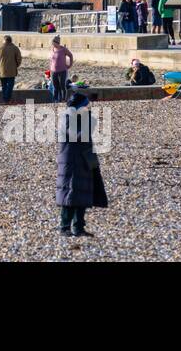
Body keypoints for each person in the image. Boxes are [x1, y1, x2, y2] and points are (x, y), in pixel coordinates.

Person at [56, 90, 108, 237]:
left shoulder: (82, 117)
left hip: (85, 159)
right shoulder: (66, 118)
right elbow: (77, 135)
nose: (88, 108)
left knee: (83, 194)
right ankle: (64, 227)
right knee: (70, 194)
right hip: (71, 161)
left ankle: (79, 227)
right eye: (86, 106)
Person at [0, 35, 22, 103]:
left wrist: (0, 65)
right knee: (10, 86)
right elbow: (19, 59)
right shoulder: (15, 48)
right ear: (11, 41)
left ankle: (5, 99)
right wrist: (16, 65)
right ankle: (7, 99)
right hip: (12, 71)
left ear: (4, 41)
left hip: (2, 71)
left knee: (4, 86)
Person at [48, 35, 74, 102]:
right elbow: (51, 60)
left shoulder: (63, 49)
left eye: (53, 42)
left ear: (56, 42)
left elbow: (70, 55)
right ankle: (56, 100)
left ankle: (63, 99)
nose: (52, 44)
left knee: (62, 86)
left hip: (62, 71)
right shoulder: (52, 49)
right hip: (53, 71)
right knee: (55, 86)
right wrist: (50, 68)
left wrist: (70, 65)